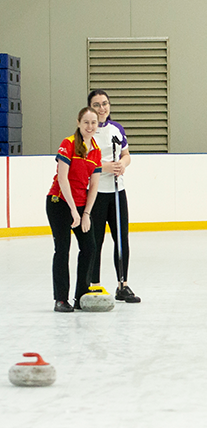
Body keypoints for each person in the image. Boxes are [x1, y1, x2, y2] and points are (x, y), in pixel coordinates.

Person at [87, 89, 141, 303]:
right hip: (96, 193)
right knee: (95, 241)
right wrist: (106, 166)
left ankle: (123, 284)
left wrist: (122, 165)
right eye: (97, 104)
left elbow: (126, 155)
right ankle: (93, 283)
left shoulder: (116, 129)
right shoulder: (87, 132)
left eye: (105, 103)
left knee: (121, 238)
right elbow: (85, 161)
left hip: (117, 191)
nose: (102, 108)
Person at [46, 107, 102, 312]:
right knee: (62, 249)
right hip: (59, 202)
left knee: (90, 247)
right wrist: (73, 210)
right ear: (78, 122)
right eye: (86, 122)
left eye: (93, 122)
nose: (90, 126)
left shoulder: (96, 150)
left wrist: (86, 213)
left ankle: (81, 295)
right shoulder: (68, 144)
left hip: (80, 205)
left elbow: (94, 185)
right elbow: (62, 178)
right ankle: (61, 299)